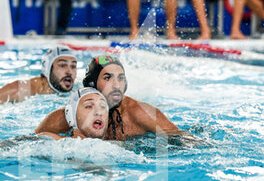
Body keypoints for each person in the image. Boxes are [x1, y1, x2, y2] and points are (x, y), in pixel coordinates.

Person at [36, 55, 201, 146]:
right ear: (91, 84)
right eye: (108, 78)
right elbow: (28, 143)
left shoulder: (139, 112)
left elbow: (183, 139)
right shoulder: (64, 116)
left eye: (121, 78)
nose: (116, 85)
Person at [0, 45, 77, 109]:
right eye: (62, 65)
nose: (69, 72)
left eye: (73, 66)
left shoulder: (79, 90)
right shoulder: (22, 89)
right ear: (47, 68)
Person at [39, 87, 109, 140]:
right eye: (89, 106)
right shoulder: (49, 141)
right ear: (71, 116)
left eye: (103, 107)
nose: (99, 112)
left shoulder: (114, 148)